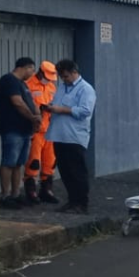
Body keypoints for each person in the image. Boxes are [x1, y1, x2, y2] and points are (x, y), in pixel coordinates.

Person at [44, 59, 97, 215]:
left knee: (77, 171)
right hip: (59, 135)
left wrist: (61, 110)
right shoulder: (62, 87)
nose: (64, 79)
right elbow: (56, 103)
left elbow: (85, 111)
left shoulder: (85, 89)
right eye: (62, 77)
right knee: (65, 171)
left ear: (75, 72)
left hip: (74, 136)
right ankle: (72, 201)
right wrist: (50, 107)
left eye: (66, 76)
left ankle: (81, 203)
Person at [0, 57, 41, 209]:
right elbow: (17, 102)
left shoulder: (23, 84)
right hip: (12, 128)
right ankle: (5, 196)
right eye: (32, 69)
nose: (32, 73)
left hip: (25, 129)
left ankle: (16, 194)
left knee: (19, 163)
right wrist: (32, 117)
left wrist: (37, 116)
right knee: (9, 161)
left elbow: (30, 102)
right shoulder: (9, 80)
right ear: (25, 67)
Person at [23, 60, 59, 204]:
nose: (48, 80)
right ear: (40, 72)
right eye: (47, 77)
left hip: (50, 130)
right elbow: (26, 105)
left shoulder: (51, 87)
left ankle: (46, 190)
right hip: (36, 130)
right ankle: (31, 191)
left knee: (50, 162)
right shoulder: (28, 85)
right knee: (34, 162)